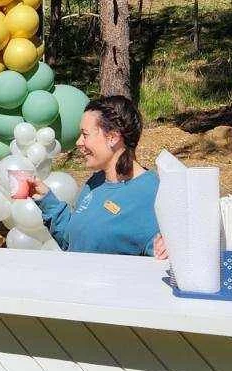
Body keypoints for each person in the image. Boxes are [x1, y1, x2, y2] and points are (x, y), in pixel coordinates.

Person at [30, 95, 161, 256]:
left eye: (85, 135)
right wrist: (46, 200)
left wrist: (166, 251)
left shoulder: (152, 193)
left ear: (112, 137)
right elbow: (73, 241)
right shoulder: (96, 181)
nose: (78, 142)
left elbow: (163, 255)